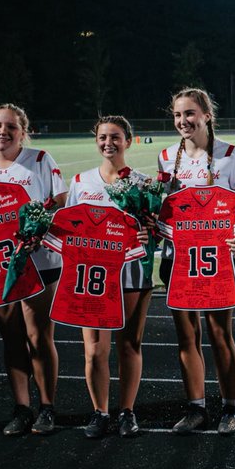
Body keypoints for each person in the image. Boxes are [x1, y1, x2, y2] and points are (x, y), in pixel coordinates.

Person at [0, 103, 66, 435]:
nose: (2, 132)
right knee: (11, 338)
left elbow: (62, 202)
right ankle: (22, 408)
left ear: (24, 131)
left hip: (40, 264)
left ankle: (47, 407)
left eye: (10, 126)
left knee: (39, 336)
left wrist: (42, 230)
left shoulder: (39, 160)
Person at [158, 87, 235, 434]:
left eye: (190, 114)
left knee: (219, 334)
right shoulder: (167, 156)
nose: (184, 121)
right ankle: (196, 408)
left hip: (217, 260)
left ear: (207, 115)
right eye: (178, 115)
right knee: (187, 336)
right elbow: (165, 210)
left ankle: (230, 407)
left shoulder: (229, 154)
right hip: (178, 259)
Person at [66, 116, 154, 438]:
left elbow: (155, 229)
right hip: (92, 278)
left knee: (129, 345)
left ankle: (127, 412)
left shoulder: (144, 184)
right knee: (93, 349)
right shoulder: (80, 181)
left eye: (115, 137)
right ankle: (100, 412)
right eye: (103, 137)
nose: (108, 143)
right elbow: (68, 229)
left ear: (128, 141)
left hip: (131, 273)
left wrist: (148, 235)